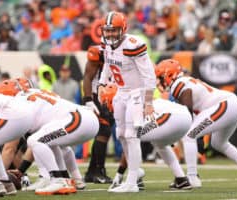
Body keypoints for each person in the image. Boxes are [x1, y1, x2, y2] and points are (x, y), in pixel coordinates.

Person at [155, 59, 237, 188]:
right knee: (218, 143)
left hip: (226, 105)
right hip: (231, 105)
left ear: (170, 75)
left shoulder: (179, 84)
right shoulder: (185, 81)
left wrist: (178, 132)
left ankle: (192, 177)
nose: (159, 81)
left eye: (161, 77)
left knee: (188, 135)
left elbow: (187, 111)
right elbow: (192, 112)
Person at [98, 11, 156, 193]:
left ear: (123, 29)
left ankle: (131, 182)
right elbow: (107, 63)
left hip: (137, 93)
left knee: (132, 136)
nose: (109, 35)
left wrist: (148, 102)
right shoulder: (106, 45)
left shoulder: (134, 45)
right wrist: (101, 83)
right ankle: (135, 171)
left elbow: (149, 76)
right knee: (121, 134)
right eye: (107, 31)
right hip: (121, 92)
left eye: (113, 30)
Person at [99, 84, 193, 191]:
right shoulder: (134, 98)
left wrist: (120, 173)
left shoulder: (130, 103)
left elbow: (131, 142)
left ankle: (135, 178)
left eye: (106, 103)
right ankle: (181, 179)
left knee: (130, 137)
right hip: (184, 117)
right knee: (158, 143)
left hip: (171, 116)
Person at [82, 45, 115, 184]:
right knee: (104, 131)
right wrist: (88, 100)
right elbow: (88, 77)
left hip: (113, 97)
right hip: (98, 96)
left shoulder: (126, 50)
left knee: (104, 133)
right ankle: (99, 171)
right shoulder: (99, 52)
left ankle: (91, 172)